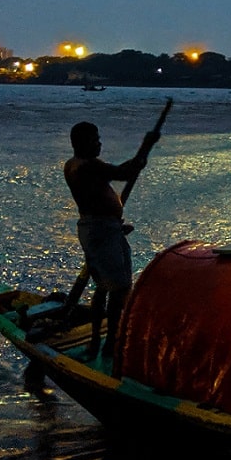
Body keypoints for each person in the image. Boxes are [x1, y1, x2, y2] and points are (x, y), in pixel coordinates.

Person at [64, 119, 159, 360]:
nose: (99, 143)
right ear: (82, 143)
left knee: (104, 287)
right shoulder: (84, 166)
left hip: (105, 229)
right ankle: (109, 343)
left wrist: (139, 161)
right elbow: (124, 173)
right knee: (119, 289)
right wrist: (145, 147)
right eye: (95, 139)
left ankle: (100, 342)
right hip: (100, 231)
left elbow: (122, 173)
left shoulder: (80, 165)